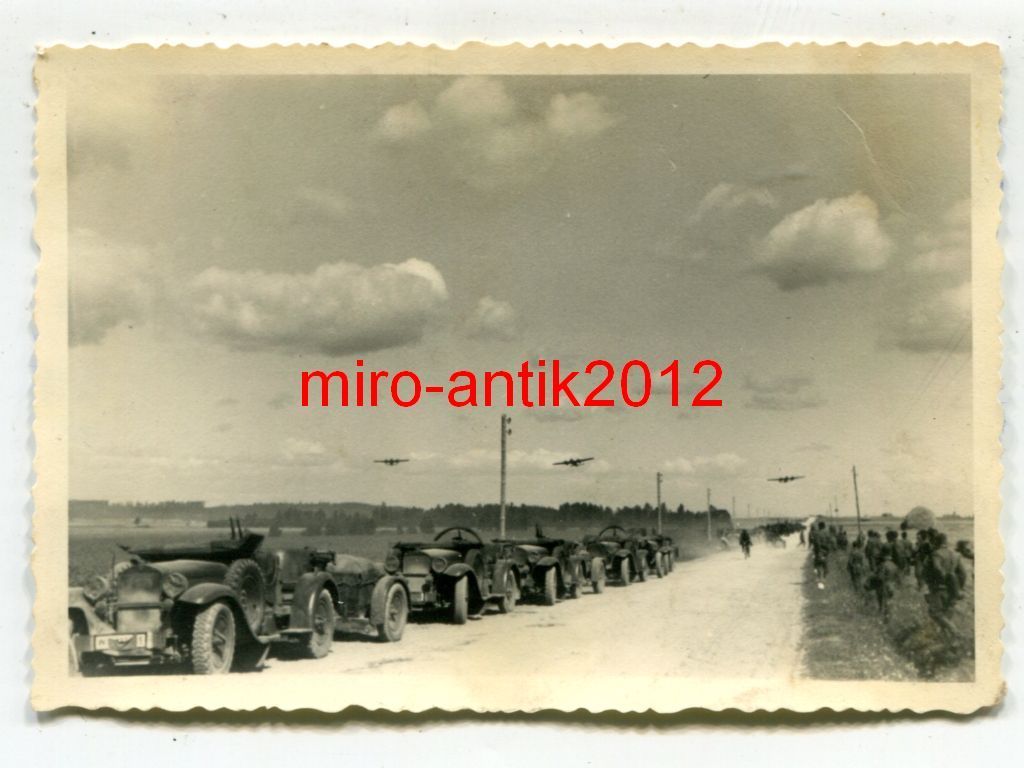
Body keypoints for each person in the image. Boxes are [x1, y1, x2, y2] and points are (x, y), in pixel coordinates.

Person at [921, 531, 968, 641]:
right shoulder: (955, 555)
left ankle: (955, 632)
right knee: (947, 615)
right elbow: (963, 573)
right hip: (953, 589)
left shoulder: (936, 554)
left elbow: (937, 569)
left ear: (936, 542)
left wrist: (943, 579)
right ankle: (949, 642)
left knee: (934, 613)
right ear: (946, 542)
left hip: (939, 588)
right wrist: (958, 587)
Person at [869, 545, 900, 622]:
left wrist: (873, 579)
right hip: (892, 585)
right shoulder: (894, 565)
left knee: (882, 603)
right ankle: (889, 618)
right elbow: (898, 578)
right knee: (889, 603)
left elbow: (880, 577)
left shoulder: (882, 565)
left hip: (884, 586)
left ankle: (884, 619)